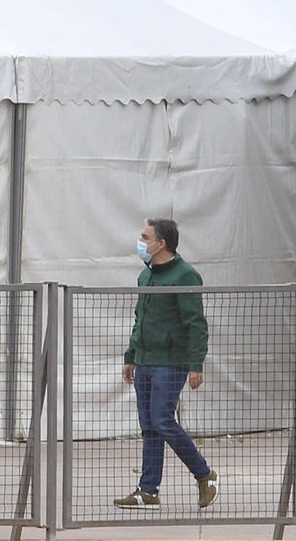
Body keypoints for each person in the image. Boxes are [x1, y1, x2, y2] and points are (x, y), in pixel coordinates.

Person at [114, 217, 218, 510]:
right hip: (146, 360)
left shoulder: (185, 275)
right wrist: (132, 355)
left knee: (162, 419)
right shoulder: (146, 276)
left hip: (171, 363)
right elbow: (140, 319)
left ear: (161, 243)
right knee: (150, 426)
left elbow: (195, 323)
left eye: (145, 238)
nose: (141, 242)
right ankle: (148, 490)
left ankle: (204, 474)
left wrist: (196, 362)